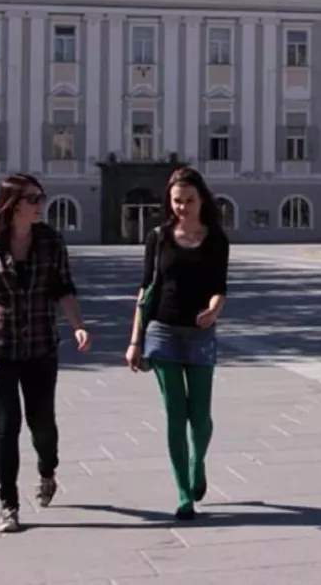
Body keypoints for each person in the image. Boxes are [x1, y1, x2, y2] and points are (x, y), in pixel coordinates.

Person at [0, 173, 91, 534]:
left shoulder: (51, 242)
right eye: (33, 198)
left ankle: (47, 470)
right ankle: (8, 505)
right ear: (12, 204)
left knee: (41, 424)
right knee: (6, 425)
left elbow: (64, 287)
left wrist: (78, 324)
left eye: (41, 197)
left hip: (40, 344)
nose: (40, 204)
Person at [125, 166, 230, 520]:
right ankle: (183, 491)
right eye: (176, 201)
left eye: (189, 200)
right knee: (175, 414)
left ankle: (197, 462)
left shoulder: (216, 239)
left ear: (201, 200)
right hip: (163, 332)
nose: (183, 207)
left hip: (200, 335)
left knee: (200, 419)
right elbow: (145, 290)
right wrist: (135, 341)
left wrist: (214, 309)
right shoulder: (158, 237)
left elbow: (219, 287)